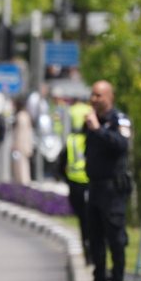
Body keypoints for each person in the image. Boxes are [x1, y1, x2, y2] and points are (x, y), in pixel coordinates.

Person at [75, 80, 132, 281]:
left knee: (115, 239)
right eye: (92, 95)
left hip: (113, 189)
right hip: (95, 187)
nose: (94, 99)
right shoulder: (92, 121)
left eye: (99, 95)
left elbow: (122, 145)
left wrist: (98, 129)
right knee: (95, 238)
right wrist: (92, 127)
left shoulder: (119, 120)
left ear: (110, 96)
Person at [58, 98, 93, 261]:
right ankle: (92, 252)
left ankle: (87, 249)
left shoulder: (71, 140)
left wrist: (68, 179)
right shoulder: (95, 139)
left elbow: (60, 165)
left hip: (75, 185)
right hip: (92, 185)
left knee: (84, 221)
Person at [10, 96, 35, 185]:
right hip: (26, 143)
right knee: (24, 164)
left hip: (21, 144)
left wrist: (15, 144)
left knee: (20, 166)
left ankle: (22, 182)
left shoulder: (20, 116)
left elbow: (19, 133)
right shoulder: (26, 115)